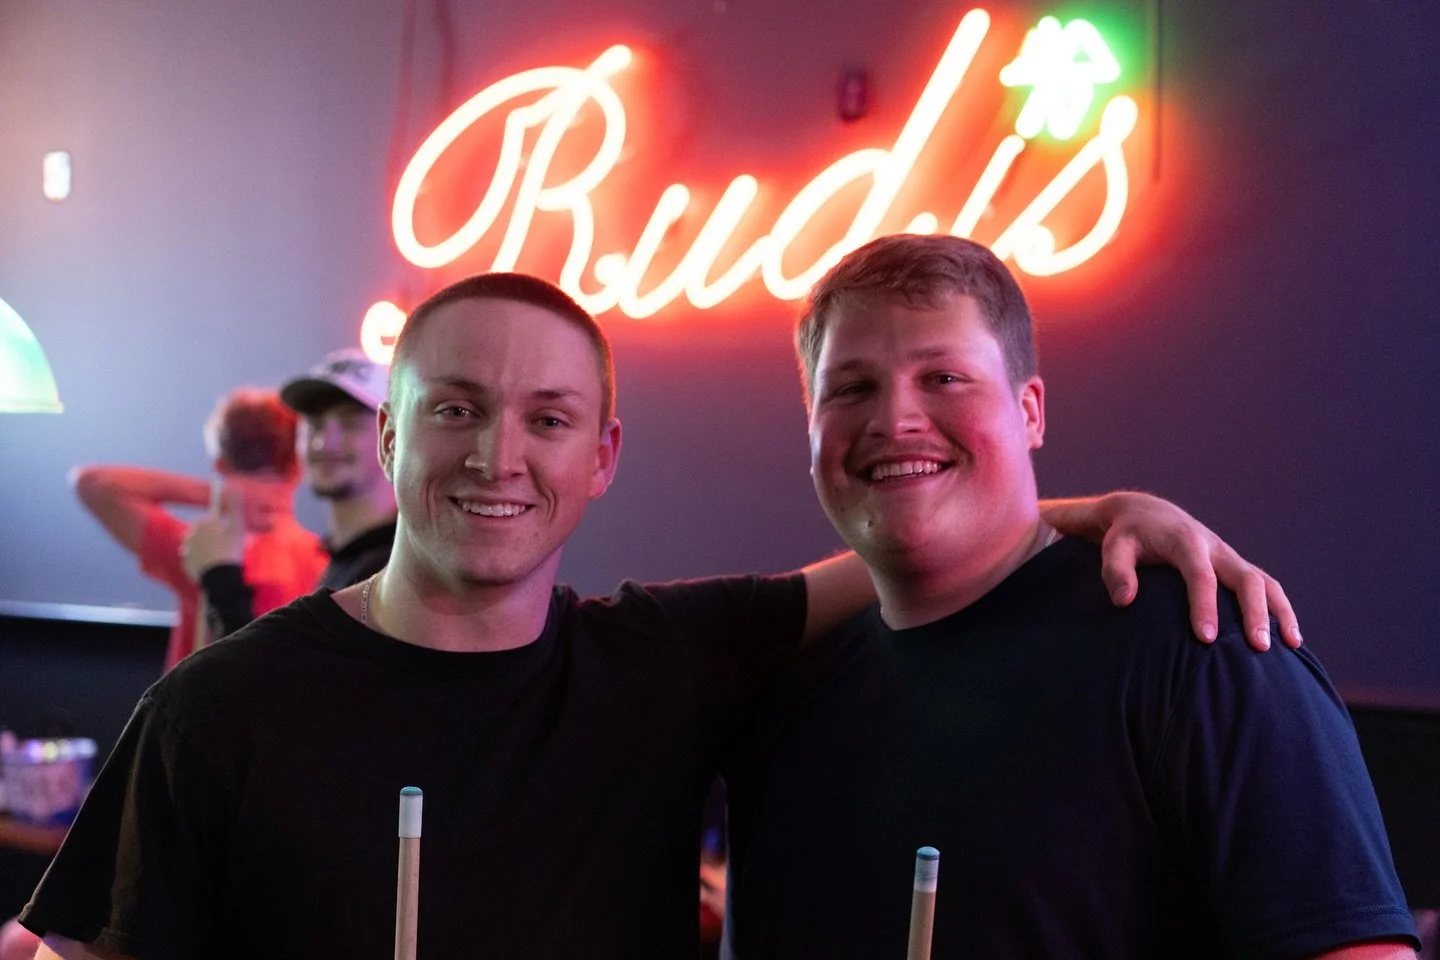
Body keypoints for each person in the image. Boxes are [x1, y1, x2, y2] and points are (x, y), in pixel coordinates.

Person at [22, 273, 1294, 960]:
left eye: (549, 419)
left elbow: (912, 533)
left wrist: (1098, 505)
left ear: (605, 454)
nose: (497, 456)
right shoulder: (218, 709)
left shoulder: (666, 662)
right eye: (456, 409)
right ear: (396, 432)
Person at [721, 235, 1419, 958]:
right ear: (810, 428)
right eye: (851, 388)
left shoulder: (1201, 649)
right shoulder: (784, 692)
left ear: (1030, 412)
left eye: (943, 378)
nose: (894, 420)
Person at [70, 388, 328, 670]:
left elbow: (93, 484)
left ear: (219, 464)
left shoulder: (197, 550)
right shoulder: (328, 565)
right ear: (297, 466)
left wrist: (217, 493)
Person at [190, 349, 398, 637]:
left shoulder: (394, 570)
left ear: (393, 437)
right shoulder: (345, 563)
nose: (326, 442)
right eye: (314, 424)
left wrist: (221, 577)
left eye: (351, 423)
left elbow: (271, 683)